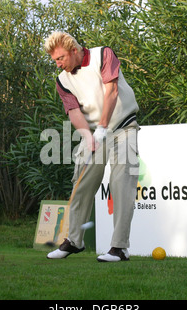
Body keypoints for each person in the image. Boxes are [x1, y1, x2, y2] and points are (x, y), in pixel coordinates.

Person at [44, 31, 139, 262]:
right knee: (81, 183)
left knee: (121, 183)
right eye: (55, 60)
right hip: (95, 132)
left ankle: (119, 248)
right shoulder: (62, 80)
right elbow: (75, 112)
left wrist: (104, 126)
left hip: (123, 127)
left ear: (74, 50)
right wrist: (88, 137)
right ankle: (74, 241)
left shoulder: (103, 55)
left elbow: (112, 90)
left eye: (61, 58)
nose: (58, 64)